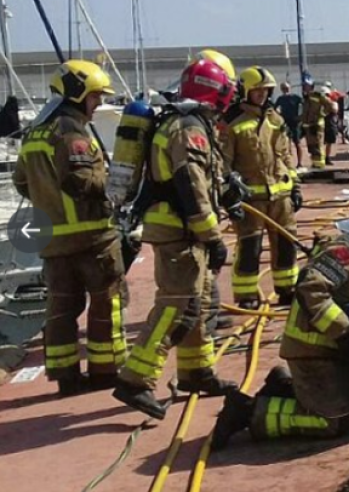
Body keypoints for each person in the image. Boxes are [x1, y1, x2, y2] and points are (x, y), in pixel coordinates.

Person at [210, 189, 349, 448]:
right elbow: (310, 288)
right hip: (313, 348)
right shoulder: (347, 251)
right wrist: (344, 332)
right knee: (333, 421)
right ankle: (248, 411)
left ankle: (285, 384)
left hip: (342, 350)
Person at [113, 59, 241, 420]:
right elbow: (191, 187)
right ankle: (135, 380)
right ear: (216, 92)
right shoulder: (188, 128)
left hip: (183, 231)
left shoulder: (182, 121)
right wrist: (212, 236)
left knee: (196, 304)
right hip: (179, 233)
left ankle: (196, 372)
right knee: (175, 308)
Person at [14, 60, 126, 396]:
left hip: (53, 243)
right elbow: (80, 181)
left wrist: (48, 202)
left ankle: (66, 376)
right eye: (94, 98)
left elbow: (22, 182)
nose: (96, 106)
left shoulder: (35, 131)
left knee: (61, 309)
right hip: (92, 238)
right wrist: (116, 182)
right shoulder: (71, 132)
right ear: (78, 95)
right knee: (108, 302)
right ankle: (105, 371)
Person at [222, 67, 302, 310]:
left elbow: (285, 156)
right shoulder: (232, 123)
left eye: (265, 90)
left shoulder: (275, 120)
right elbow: (223, 162)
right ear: (245, 91)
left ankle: (287, 290)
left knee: (287, 245)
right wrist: (229, 193)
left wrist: (295, 186)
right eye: (256, 90)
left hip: (281, 197)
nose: (261, 95)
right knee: (250, 248)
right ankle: (247, 296)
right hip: (251, 201)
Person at [300, 75, 335, 169]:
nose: (305, 88)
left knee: (318, 145)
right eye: (304, 86)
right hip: (308, 126)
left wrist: (322, 114)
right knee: (311, 147)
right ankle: (315, 163)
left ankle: (320, 164)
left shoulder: (318, 96)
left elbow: (330, 106)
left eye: (307, 86)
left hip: (317, 125)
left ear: (311, 86)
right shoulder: (305, 98)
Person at [274, 81, 304, 167]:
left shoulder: (296, 97)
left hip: (295, 122)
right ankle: (287, 162)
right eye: (283, 89)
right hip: (285, 122)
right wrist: (278, 116)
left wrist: (301, 116)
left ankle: (300, 163)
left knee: (297, 143)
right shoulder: (280, 99)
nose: (285, 90)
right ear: (281, 90)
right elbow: (274, 109)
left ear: (290, 88)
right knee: (285, 143)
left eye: (287, 88)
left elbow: (306, 105)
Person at [322, 82, 339, 165]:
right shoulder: (320, 103)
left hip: (328, 123)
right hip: (323, 124)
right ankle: (323, 158)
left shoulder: (332, 102)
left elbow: (335, 111)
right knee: (323, 142)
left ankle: (326, 158)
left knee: (329, 142)